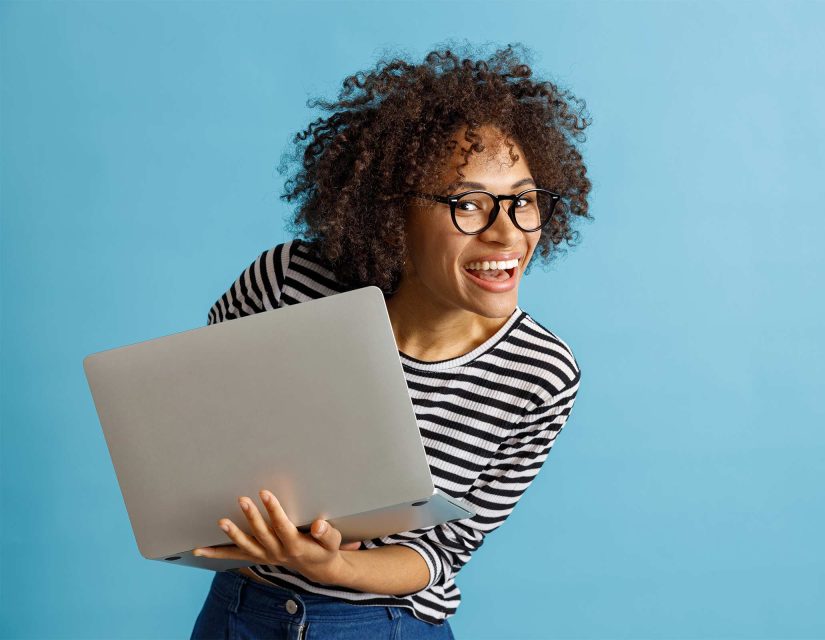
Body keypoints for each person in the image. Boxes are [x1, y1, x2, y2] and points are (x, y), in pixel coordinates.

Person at [189, 41, 592, 640]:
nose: (508, 232)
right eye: (469, 204)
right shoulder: (287, 282)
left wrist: (329, 563)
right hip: (240, 612)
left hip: (383, 625)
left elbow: (441, 552)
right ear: (393, 213)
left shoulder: (540, 374)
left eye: (525, 201)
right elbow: (192, 417)